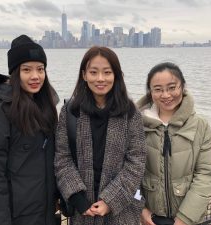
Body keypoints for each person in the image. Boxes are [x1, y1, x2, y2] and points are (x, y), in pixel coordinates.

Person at [54, 46, 147, 224]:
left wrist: (110, 201)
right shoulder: (70, 112)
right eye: (93, 72)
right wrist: (78, 198)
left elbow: (137, 160)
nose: (100, 79)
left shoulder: (129, 112)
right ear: (84, 75)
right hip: (83, 211)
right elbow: (62, 158)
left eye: (107, 72)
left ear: (116, 75)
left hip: (122, 213)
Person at [0, 34, 60, 225]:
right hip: (15, 218)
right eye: (27, 70)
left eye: (40, 69)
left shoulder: (45, 108)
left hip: (45, 215)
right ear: (15, 73)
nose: (35, 76)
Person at [137, 62, 211, 225]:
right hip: (149, 218)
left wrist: (184, 218)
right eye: (158, 89)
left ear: (182, 87)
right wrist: (140, 208)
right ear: (150, 92)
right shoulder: (136, 125)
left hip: (189, 219)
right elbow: (128, 174)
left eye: (172, 87)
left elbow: (206, 174)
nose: (166, 95)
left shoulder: (200, 126)